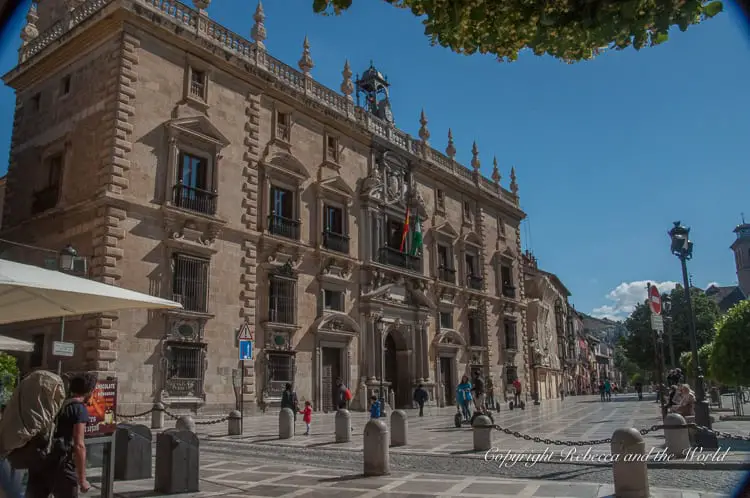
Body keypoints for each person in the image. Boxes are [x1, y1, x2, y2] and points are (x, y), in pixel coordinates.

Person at [26, 372, 96, 498]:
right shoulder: (79, 409)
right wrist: (82, 479)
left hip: (40, 460)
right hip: (61, 465)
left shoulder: (58, 404)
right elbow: (79, 445)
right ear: (89, 391)